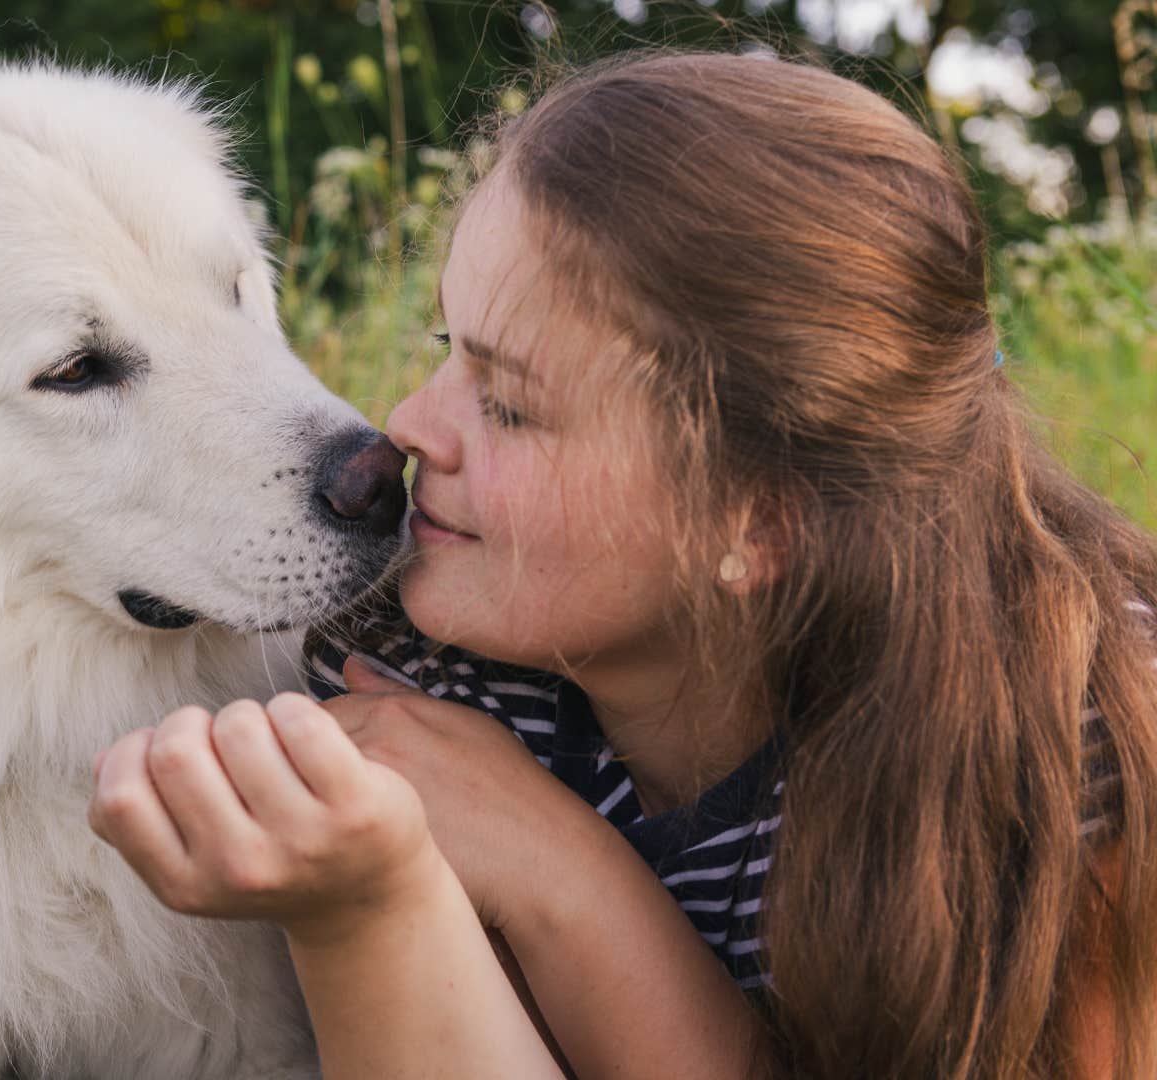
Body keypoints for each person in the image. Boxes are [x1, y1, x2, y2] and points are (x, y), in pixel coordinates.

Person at [87, 50, 1157, 1078]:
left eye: (508, 405)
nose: (407, 428)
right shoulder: (433, 678)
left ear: (759, 523)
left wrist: (543, 876)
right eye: (439, 344)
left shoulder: (1069, 765)